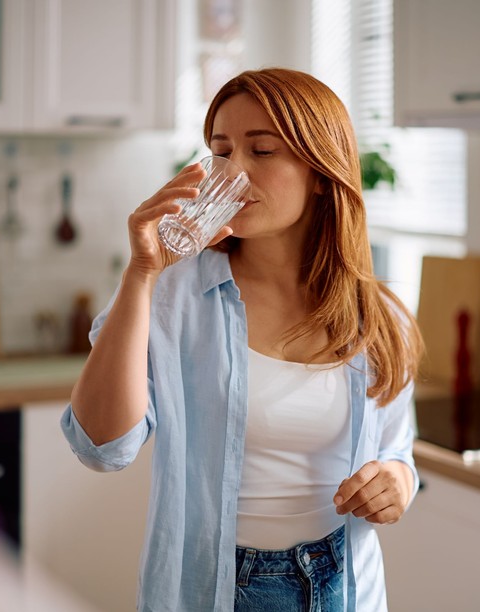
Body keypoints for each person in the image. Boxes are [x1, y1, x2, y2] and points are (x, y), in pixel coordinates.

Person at [61, 67, 424, 611]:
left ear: (321, 171)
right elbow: (102, 448)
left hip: (343, 587)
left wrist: (397, 482)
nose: (232, 171)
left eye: (262, 151)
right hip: (212, 592)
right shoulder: (171, 294)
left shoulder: (377, 315)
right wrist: (141, 273)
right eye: (222, 151)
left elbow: (398, 450)